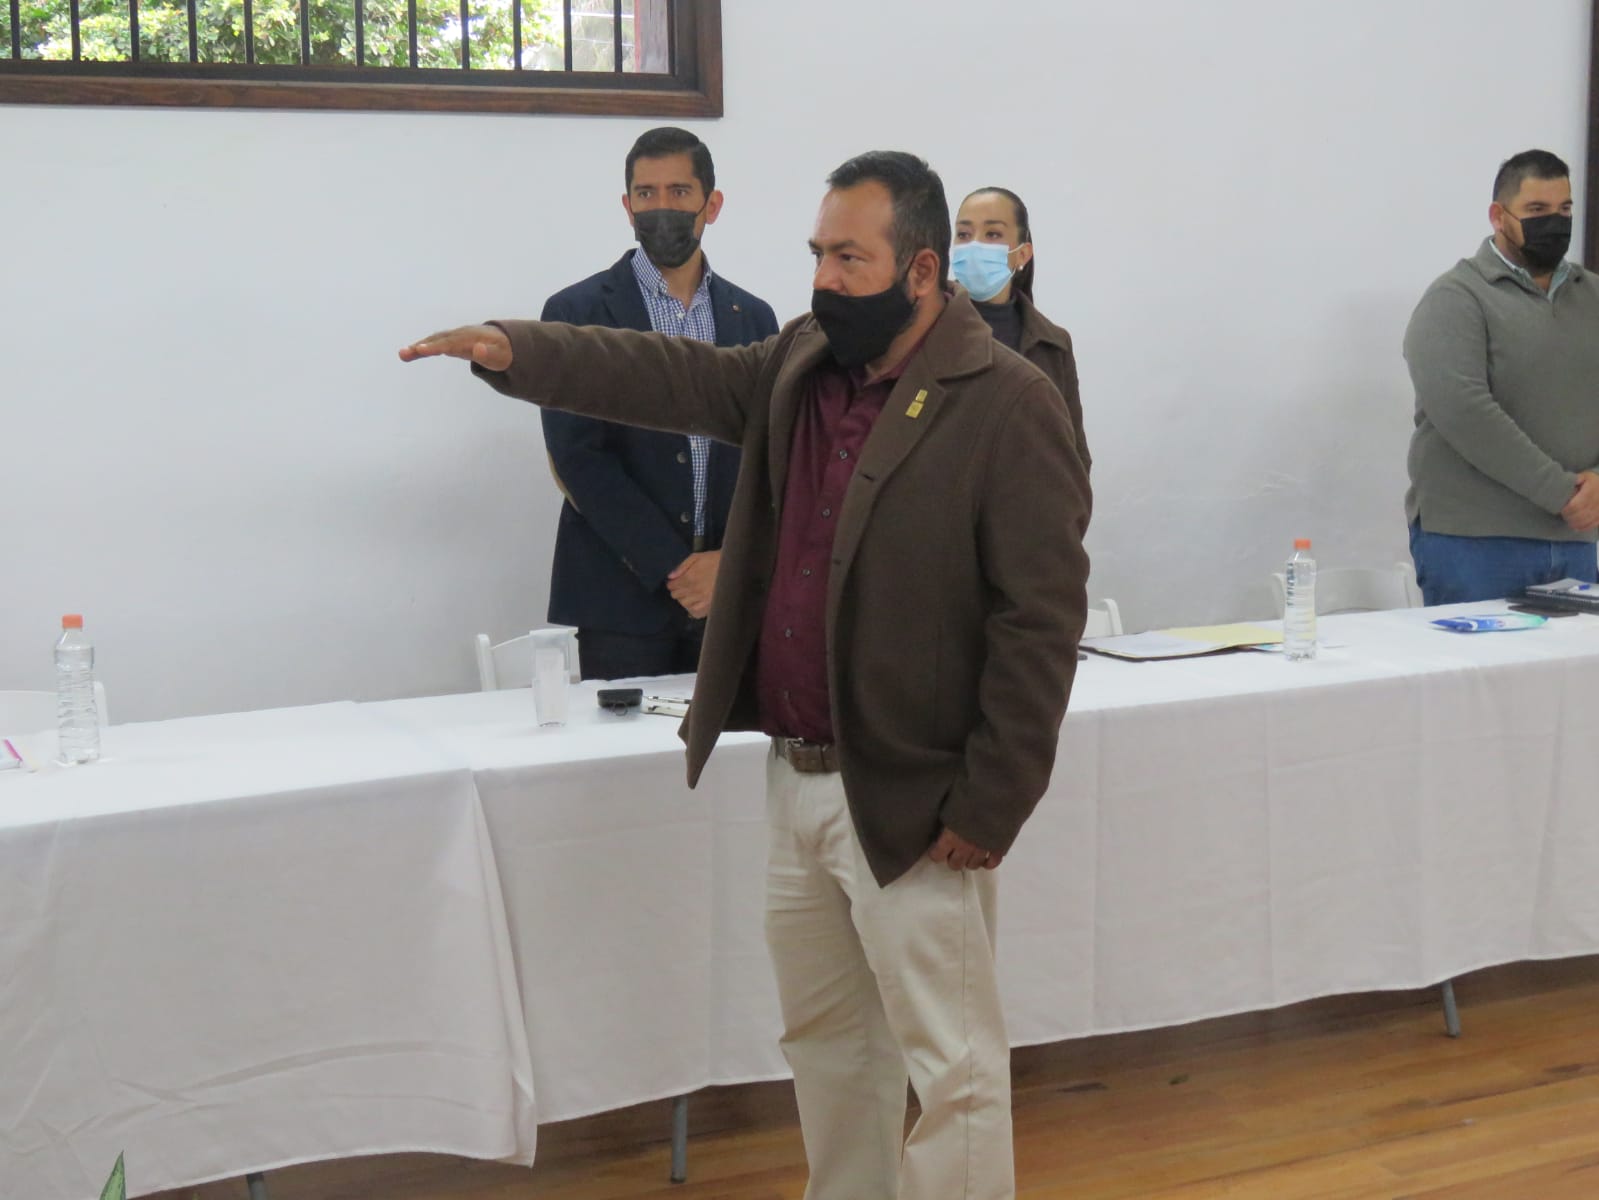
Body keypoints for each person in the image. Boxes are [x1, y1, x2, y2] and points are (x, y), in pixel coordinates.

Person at [401, 150, 1091, 1200]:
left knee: (949, 1066)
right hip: (796, 776)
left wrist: (992, 800)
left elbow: (1039, 619)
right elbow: (664, 375)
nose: (823, 278)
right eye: (817, 253)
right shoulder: (802, 363)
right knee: (828, 1044)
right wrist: (517, 349)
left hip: (913, 792)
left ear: (922, 270)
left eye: (849, 259)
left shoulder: (1005, 400)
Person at [539, 126, 778, 679]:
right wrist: (675, 568)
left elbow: (770, 453)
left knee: (731, 736)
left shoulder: (754, 318)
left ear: (711, 205)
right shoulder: (575, 314)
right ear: (627, 206)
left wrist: (729, 563)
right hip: (619, 598)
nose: (661, 207)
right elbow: (578, 458)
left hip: (727, 592)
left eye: (679, 191)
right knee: (619, 739)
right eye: (646, 193)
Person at [1404, 148, 1599, 604]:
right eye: (1537, 209)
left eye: (1564, 210)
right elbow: (1464, 412)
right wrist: (1562, 492)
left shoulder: (1593, 296)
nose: (1555, 223)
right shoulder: (1457, 297)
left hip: (1575, 539)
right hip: (1475, 541)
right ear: (1498, 216)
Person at [952, 186, 1089, 473]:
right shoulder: (923, 326)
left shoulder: (1052, 344)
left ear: (1022, 254)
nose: (974, 246)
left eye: (992, 234)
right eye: (963, 234)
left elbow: (1073, 457)